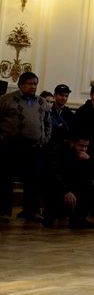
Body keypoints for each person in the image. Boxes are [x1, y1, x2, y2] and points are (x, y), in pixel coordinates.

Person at [0, 72, 52, 223]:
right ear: (21, 84)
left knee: (33, 181)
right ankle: (4, 212)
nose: (33, 86)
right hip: (10, 147)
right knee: (5, 180)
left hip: (35, 148)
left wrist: (45, 138)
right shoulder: (6, 100)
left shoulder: (42, 102)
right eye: (30, 83)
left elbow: (48, 122)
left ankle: (31, 211)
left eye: (35, 83)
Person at [42, 134, 94, 228]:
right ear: (72, 143)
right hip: (59, 186)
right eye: (81, 146)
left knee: (91, 184)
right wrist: (66, 191)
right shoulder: (59, 151)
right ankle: (51, 214)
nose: (84, 149)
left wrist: (88, 160)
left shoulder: (87, 154)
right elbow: (53, 174)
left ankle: (79, 218)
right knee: (50, 186)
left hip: (76, 186)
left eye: (86, 146)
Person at [49, 84, 75, 149]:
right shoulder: (48, 111)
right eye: (61, 95)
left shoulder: (70, 114)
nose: (64, 98)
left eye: (66, 96)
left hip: (64, 148)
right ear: (54, 95)